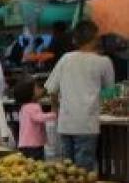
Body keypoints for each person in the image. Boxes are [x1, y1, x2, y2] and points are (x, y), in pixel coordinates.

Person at [45, 20, 115, 171]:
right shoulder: (104, 62)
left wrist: (55, 109)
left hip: (66, 123)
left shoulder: (65, 59)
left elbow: (51, 89)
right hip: (87, 124)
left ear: (75, 40)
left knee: (67, 171)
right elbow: (110, 92)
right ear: (95, 38)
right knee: (84, 170)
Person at [14, 78, 56, 161]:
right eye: (37, 88)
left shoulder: (24, 107)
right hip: (33, 144)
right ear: (30, 93)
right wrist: (54, 114)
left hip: (25, 144)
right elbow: (39, 118)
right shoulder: (33, 106)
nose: (41, 89)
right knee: (37, 164)